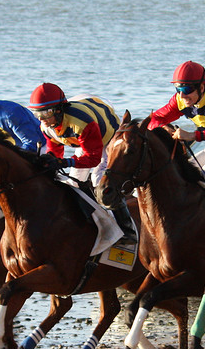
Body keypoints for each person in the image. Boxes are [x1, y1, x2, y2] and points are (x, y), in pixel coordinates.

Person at [27, 82, 135, 243]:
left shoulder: (81, 123)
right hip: (83, 134)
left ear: (58, 110)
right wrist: (50, 161)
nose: (43, 119)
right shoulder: (46, 125)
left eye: (46, 113)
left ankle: (128, 231)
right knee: (73, 183)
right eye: (38, 114)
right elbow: (56, 152)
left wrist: (67, 162)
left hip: (107, 135)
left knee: (100, 180)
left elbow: (93, 158)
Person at [147, 61, 205, 198]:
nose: (182, 96)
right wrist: (163, 128)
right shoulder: (180, 100)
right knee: (183, 172)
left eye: (186, 90)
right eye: (178, 90)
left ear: (202, 88)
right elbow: (153, 119)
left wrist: (195, 136)